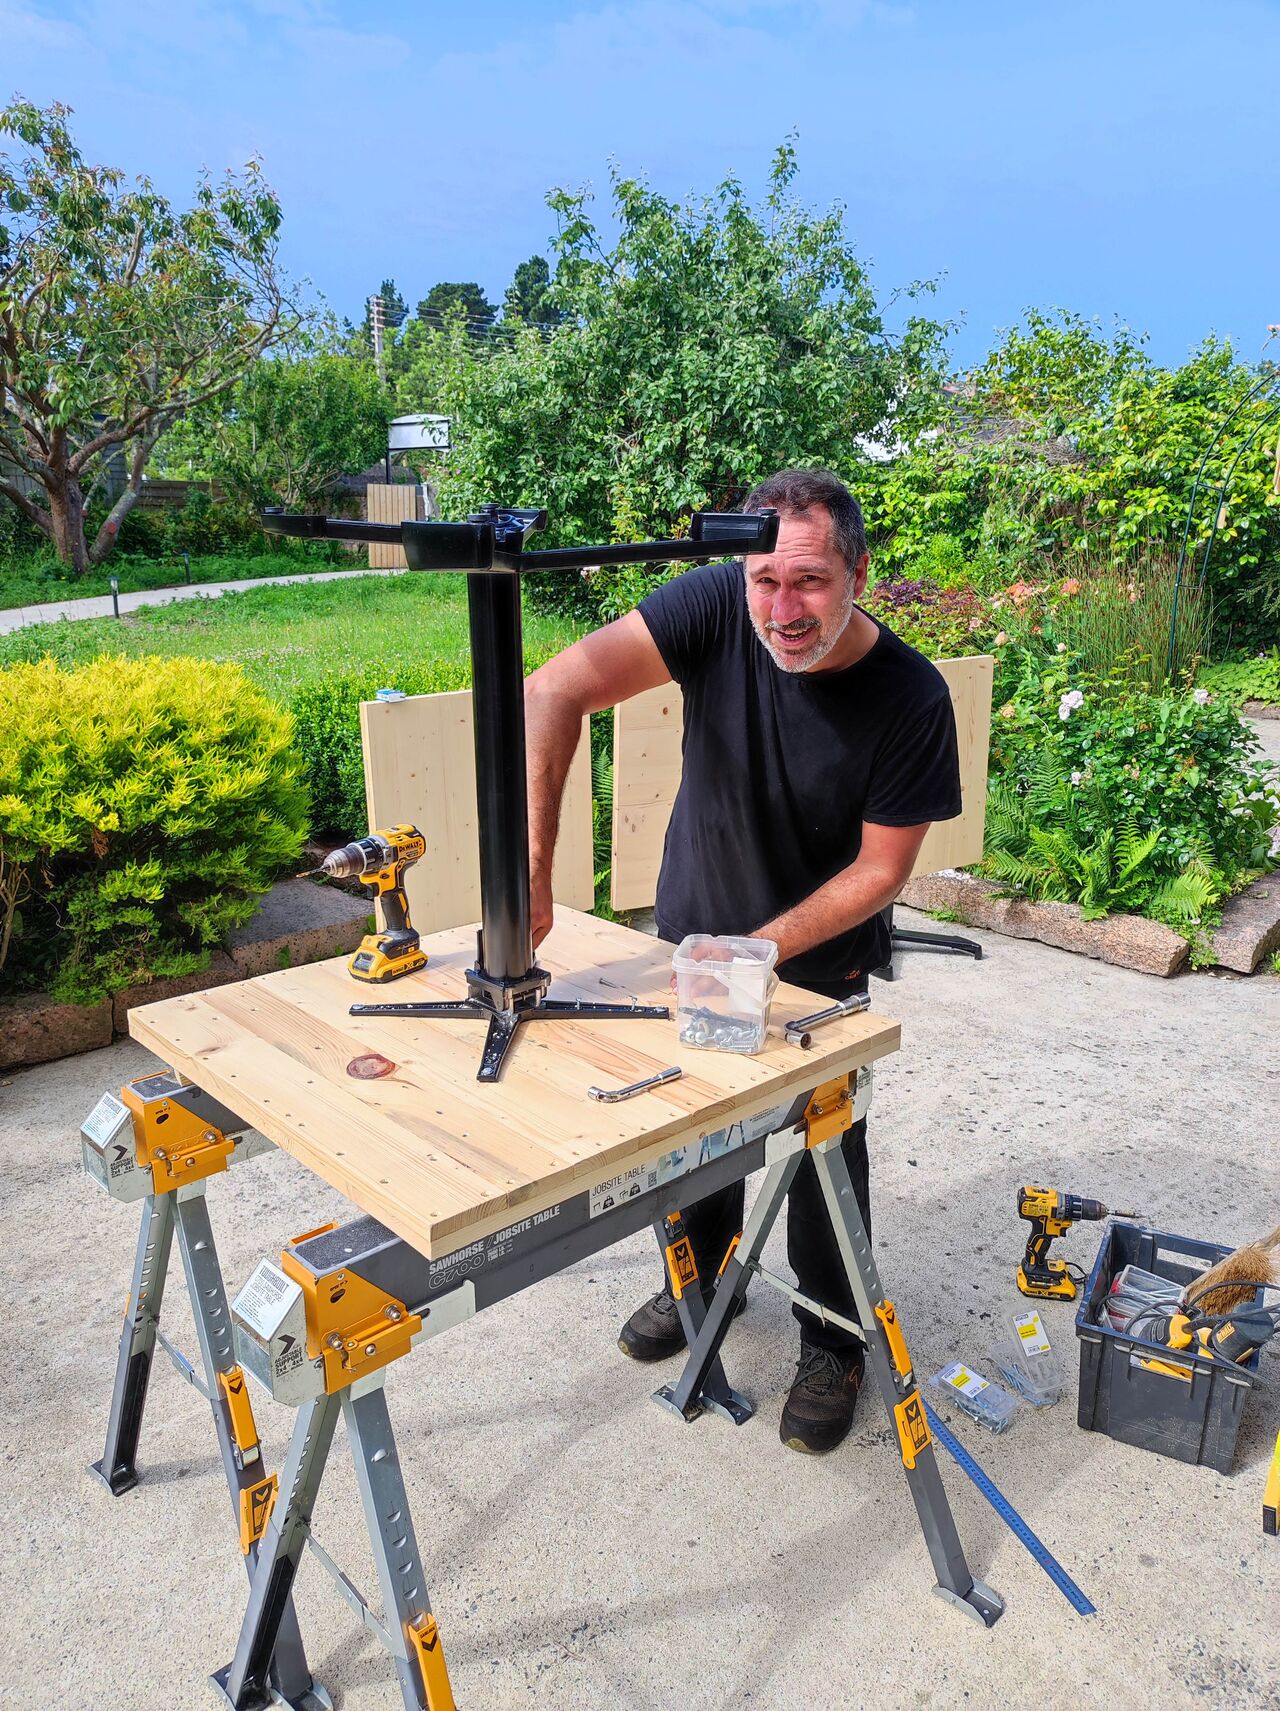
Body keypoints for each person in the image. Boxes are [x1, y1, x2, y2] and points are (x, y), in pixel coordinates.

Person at [523, 467, 961, 1454]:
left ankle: (831, 1340)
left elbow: (881, 868)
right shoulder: (714, 605)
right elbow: (551, 688)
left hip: (818, 970)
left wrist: (757, 952)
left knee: (820, 1155)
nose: (781, 607)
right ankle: (699, 1286)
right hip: (690, 935)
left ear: (859, 568)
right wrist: (535, 877)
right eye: (765, 579)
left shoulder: (909, 698)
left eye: (808, 581)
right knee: (689, 1134)